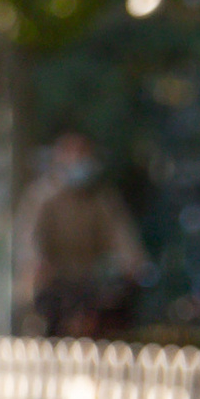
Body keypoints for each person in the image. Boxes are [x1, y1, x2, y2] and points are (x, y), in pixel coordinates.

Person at [17, 129, 148, 337]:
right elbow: (29, 239)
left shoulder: (101, 199)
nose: (78, 160)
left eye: (83, 154)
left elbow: (122, 235)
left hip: (89, 283)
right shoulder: (42, 198)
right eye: (72, 154)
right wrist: (36, 264)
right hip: (54, 284)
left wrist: (133, 264)